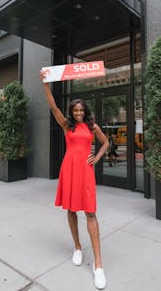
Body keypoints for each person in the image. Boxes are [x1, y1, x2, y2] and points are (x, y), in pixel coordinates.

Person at [39, 70, 109, 290]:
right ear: (72, 112)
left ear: (85, 111)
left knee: (90, 212)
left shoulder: (92, 126)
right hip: (69, 170)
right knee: (71, 210)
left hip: (86, 171)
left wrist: (95, 158)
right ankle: (77, 247)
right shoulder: (66, 125)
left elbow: (106, 143)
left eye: (81, 110)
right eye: (75, 110)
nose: (78, 113)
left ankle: (98, 265)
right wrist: (46, 85)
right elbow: (53, 107)